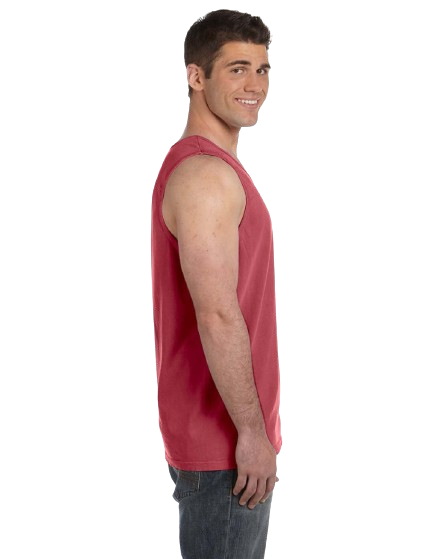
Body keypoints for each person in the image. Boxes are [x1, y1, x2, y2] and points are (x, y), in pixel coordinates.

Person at [151, 9, 282, 558]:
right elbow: (217, 314)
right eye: (237, 69)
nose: (255, 85)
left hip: (224, 441)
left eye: (262, 69)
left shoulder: (217, 168)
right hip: (222, 447)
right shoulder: (205, 176)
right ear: (195, 76)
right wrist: (251, 433)